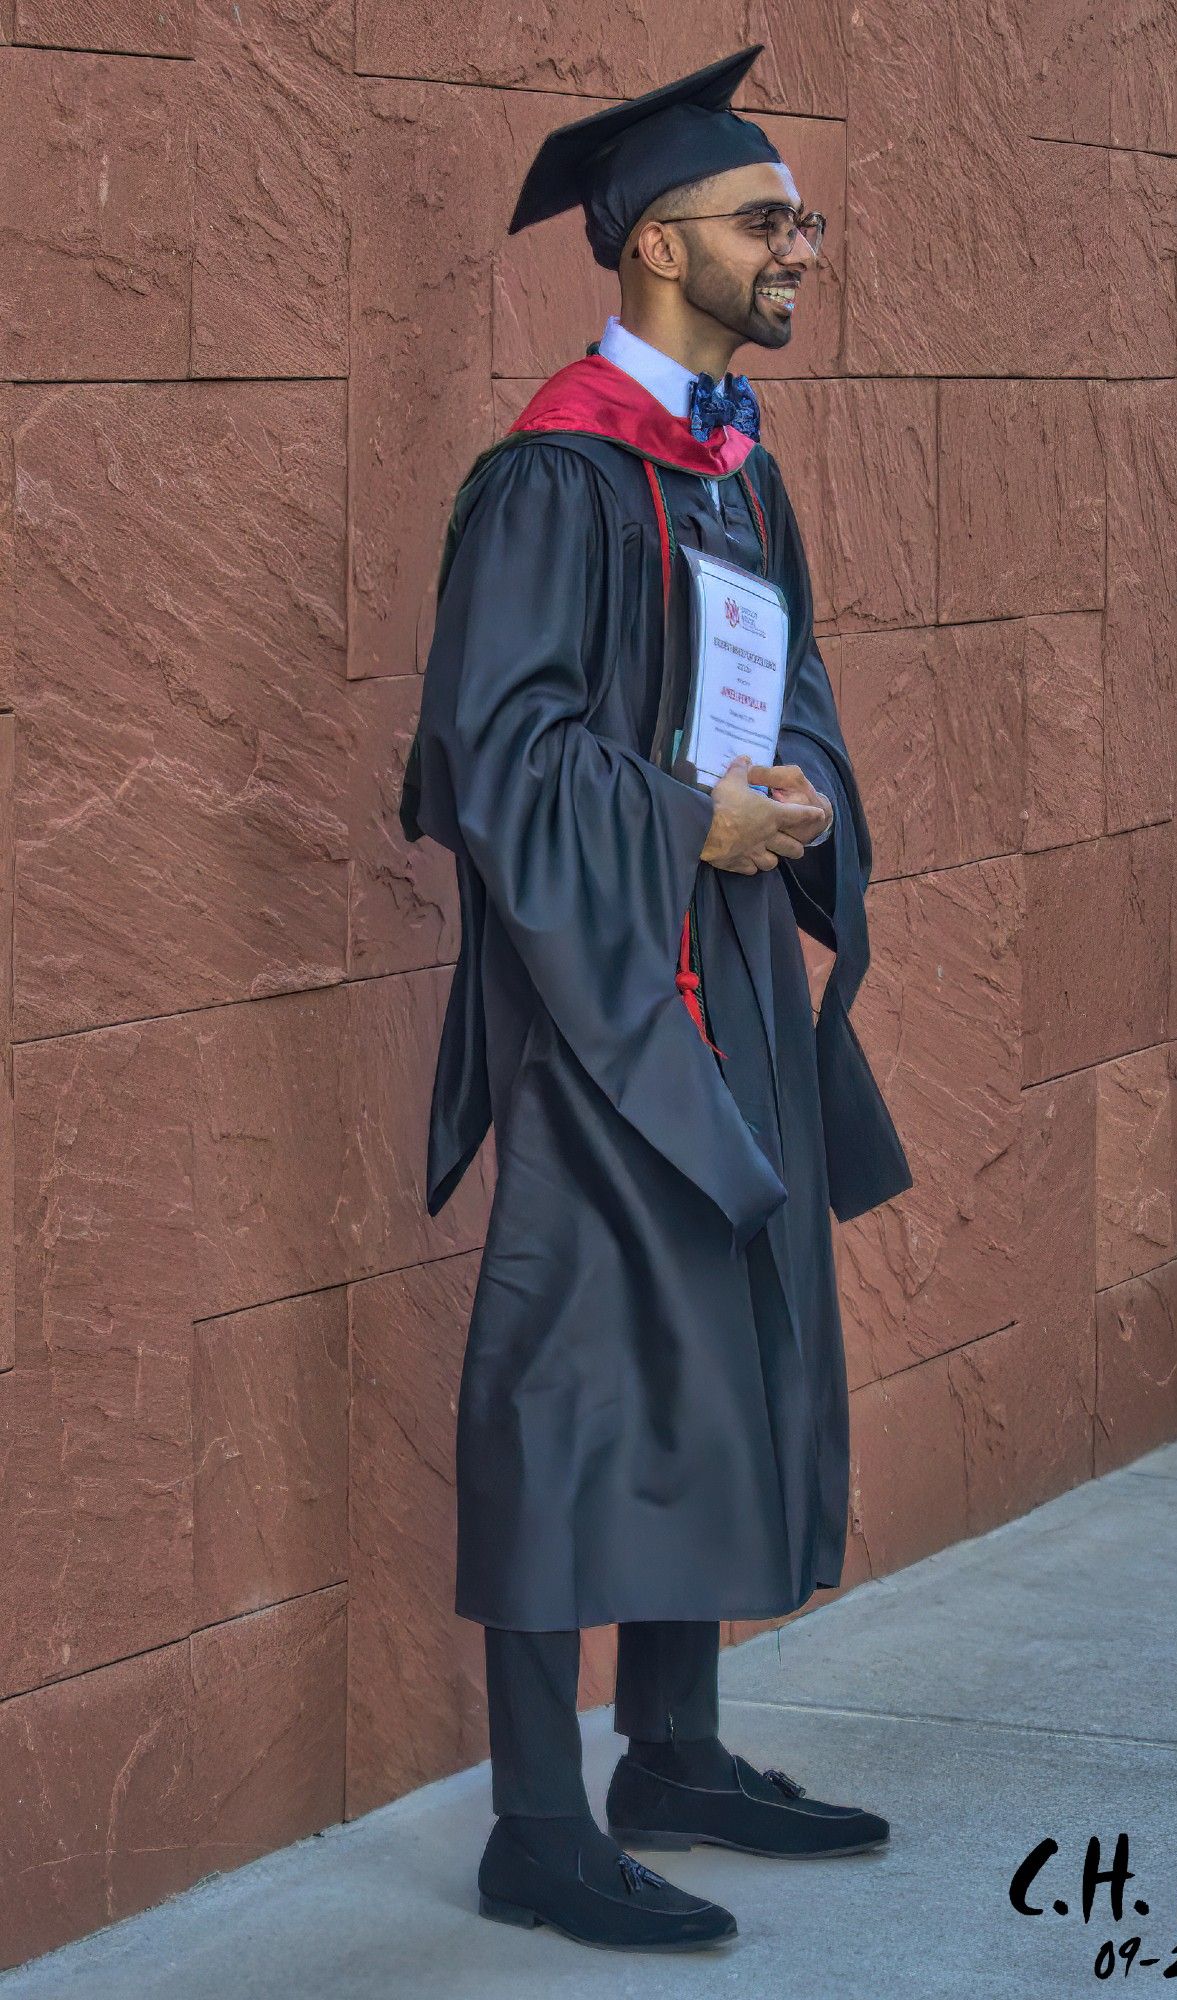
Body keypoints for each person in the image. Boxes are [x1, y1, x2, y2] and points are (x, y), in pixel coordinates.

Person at [397, 42, 914, 1954]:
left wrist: (799, 800)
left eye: (800, 219)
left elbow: (789, 694)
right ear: (656, 245)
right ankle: (538, 1820)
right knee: (570, 1392)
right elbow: (494, 758)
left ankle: (672, 1751)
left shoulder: (724, 462)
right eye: (769, 222)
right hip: (602, 1002)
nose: (801, 249)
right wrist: (680, 823)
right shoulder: (556, 475)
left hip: (727, 990)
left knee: (719, 1355)